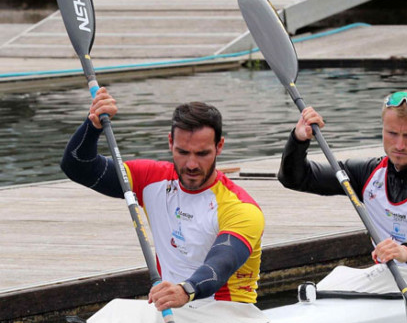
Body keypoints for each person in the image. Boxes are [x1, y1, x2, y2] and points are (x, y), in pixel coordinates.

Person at [60, 88, 265, 310]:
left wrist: (186, 290)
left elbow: (221, 264)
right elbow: (77, 166)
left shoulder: (241, 208)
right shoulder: (150, 179)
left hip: (227, 315)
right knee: (108, 313)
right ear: (170, 143)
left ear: (219, 147)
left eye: (202, 153)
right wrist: (92, 126)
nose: (192, 165)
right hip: (172, 309)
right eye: (183, 152)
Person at [278, 89, 407, 274]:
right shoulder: (367, 173)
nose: (399, 145)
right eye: (392, 133)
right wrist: (298, 140)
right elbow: (296, 178)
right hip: (387, 277)